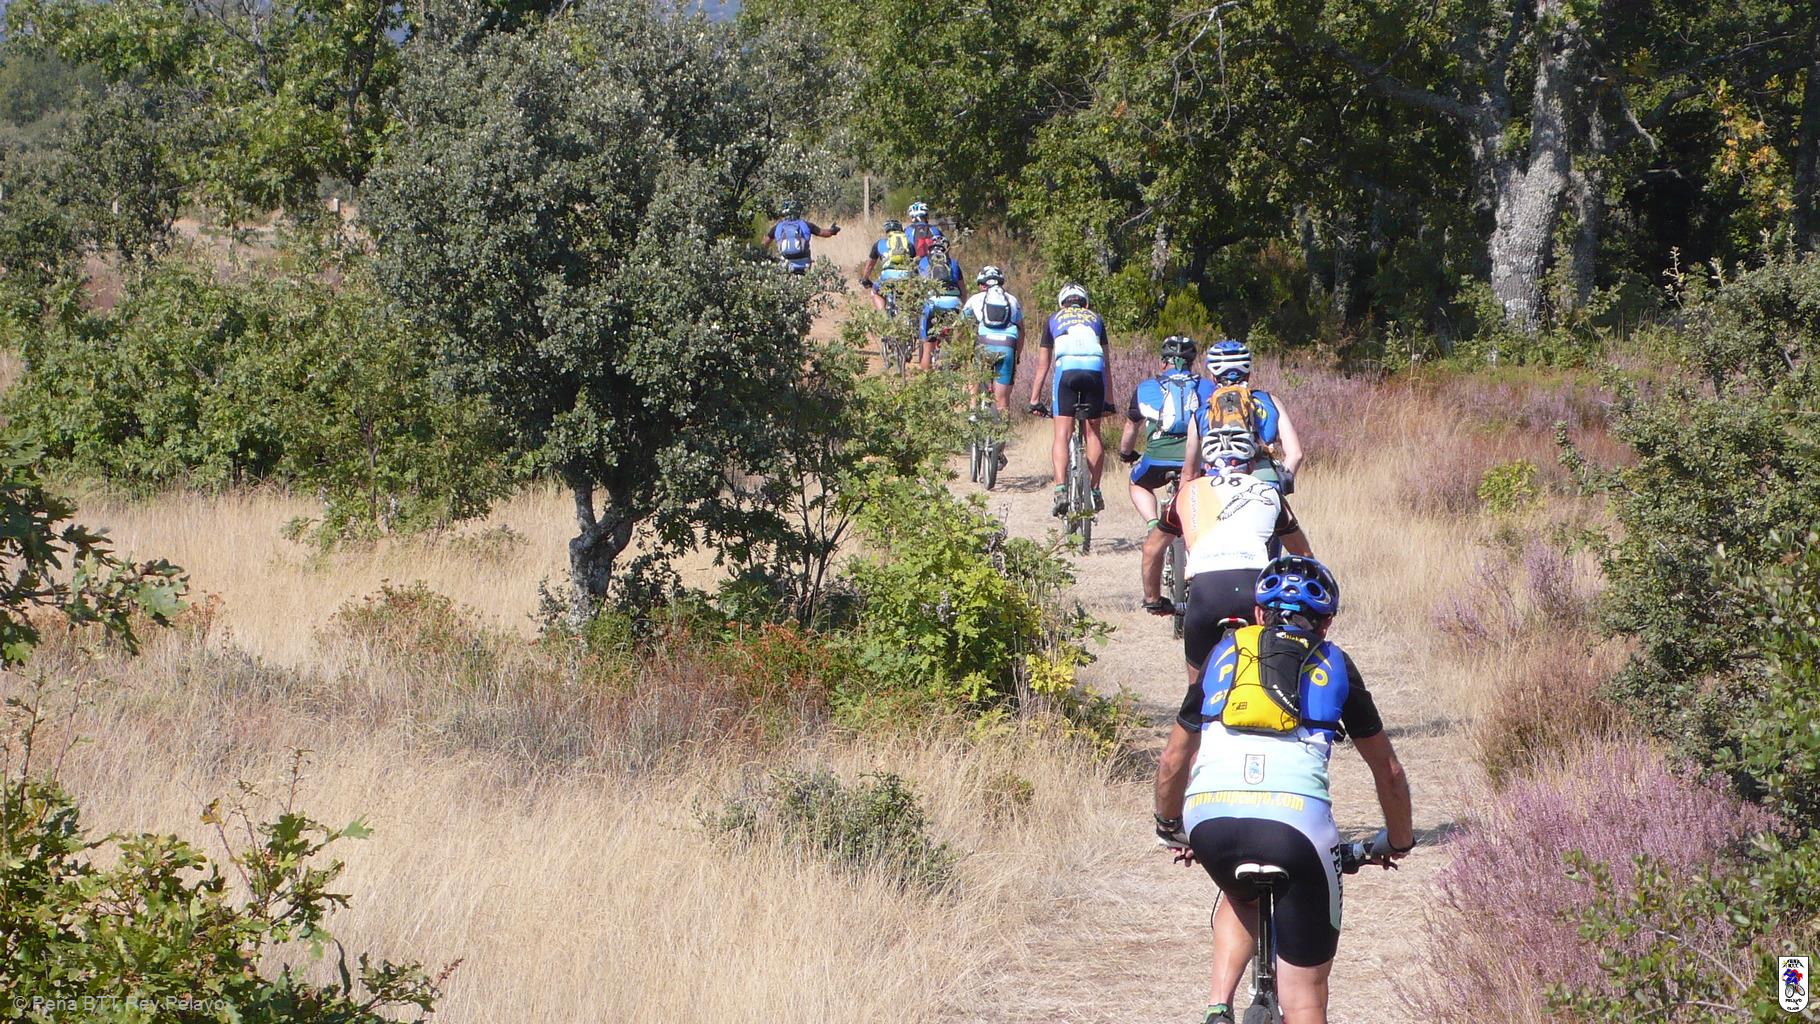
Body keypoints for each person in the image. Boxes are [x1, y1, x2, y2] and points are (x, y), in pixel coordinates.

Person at [1152, 555, 1416, 1024]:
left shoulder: (1222, 654)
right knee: (1305, 995)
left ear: (1258, 613)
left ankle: (1218, 1007)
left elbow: (1173, 758)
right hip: (1296, 827)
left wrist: (1171, 827)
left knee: (1241, 893)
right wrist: (1399, 840)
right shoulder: (1334, 662)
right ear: (1326, 623)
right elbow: (1389, 772)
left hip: (1210, 815)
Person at [1168, 425, 1312, 676]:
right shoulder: (1268, 491)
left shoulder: (1188, 492)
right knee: (1267, 671)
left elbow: (1152, 550)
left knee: (1197, 683)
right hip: (1253, 584)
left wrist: (1152, 598)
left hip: (1206, 591)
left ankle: (1196, 699)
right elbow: (1303, 555)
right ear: (1252, 465)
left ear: (1207, 464)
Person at [1119, 335, 1203, 615]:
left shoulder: (1147, 387)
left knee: (1137, 482)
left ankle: (1154, 522)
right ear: (1192, 362)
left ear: (1163, 362)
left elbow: (1130, 429)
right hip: (1195, 460)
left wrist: (1125, 453)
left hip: (1156, 458)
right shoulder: (1207, 387)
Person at [1026, 283, 1110, 518]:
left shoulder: (1054, 319)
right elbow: (1107, 364)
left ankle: (1061, 489)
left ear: (1062, 304)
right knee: (1093, 434)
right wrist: (1109, 401)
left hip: (1067, 371)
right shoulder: (1096, 319)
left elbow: (1043, 365)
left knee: (1062, 434)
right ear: (1086, 304)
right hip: (1094, 371)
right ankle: (1095, 491)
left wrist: (1034, 399)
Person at [1202, 339, 1304, 493]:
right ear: (1248, 375)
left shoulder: (1203, 410)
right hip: (1265, 479)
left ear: (1213, 377)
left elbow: (1190, 468)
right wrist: (1280, 487)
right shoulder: (1271, 401)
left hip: (1216, 482)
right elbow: (1296, 454)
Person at [961, 265, 1023, 416]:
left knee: (974, 373)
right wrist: (1017, 356)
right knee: (1002, 400)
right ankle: (1002, 427)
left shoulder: (975, 299)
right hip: (1007, 346)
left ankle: (973, 410)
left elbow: (960, 328)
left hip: (984, 344)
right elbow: (1021, 332)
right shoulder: (1012, 300)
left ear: (982, 284)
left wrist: (961, 351)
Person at [915, 238, 965, 370]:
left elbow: (915, 288)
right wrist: (961, 307)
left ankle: (926, 378)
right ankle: (953, 369)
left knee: (928, 347)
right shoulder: (953, 264)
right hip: (953, 303)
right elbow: (963, 290)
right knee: (953, 341)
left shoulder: (923, 262)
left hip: (932, 304)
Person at [764, 199, 839, 274]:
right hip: (804, 264)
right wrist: (833, 231)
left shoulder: (778, 227)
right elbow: (824, 233)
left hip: (785, 264)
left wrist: (766, 256)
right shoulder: (805, 225)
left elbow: (764, 244)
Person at [859, 218, 917, 314]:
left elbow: (870, 266)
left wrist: (865, 279)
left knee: (875, 292)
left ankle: (883, 316)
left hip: (887, 277)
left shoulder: (879, 244)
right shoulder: (908, 244)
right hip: (906, 276)